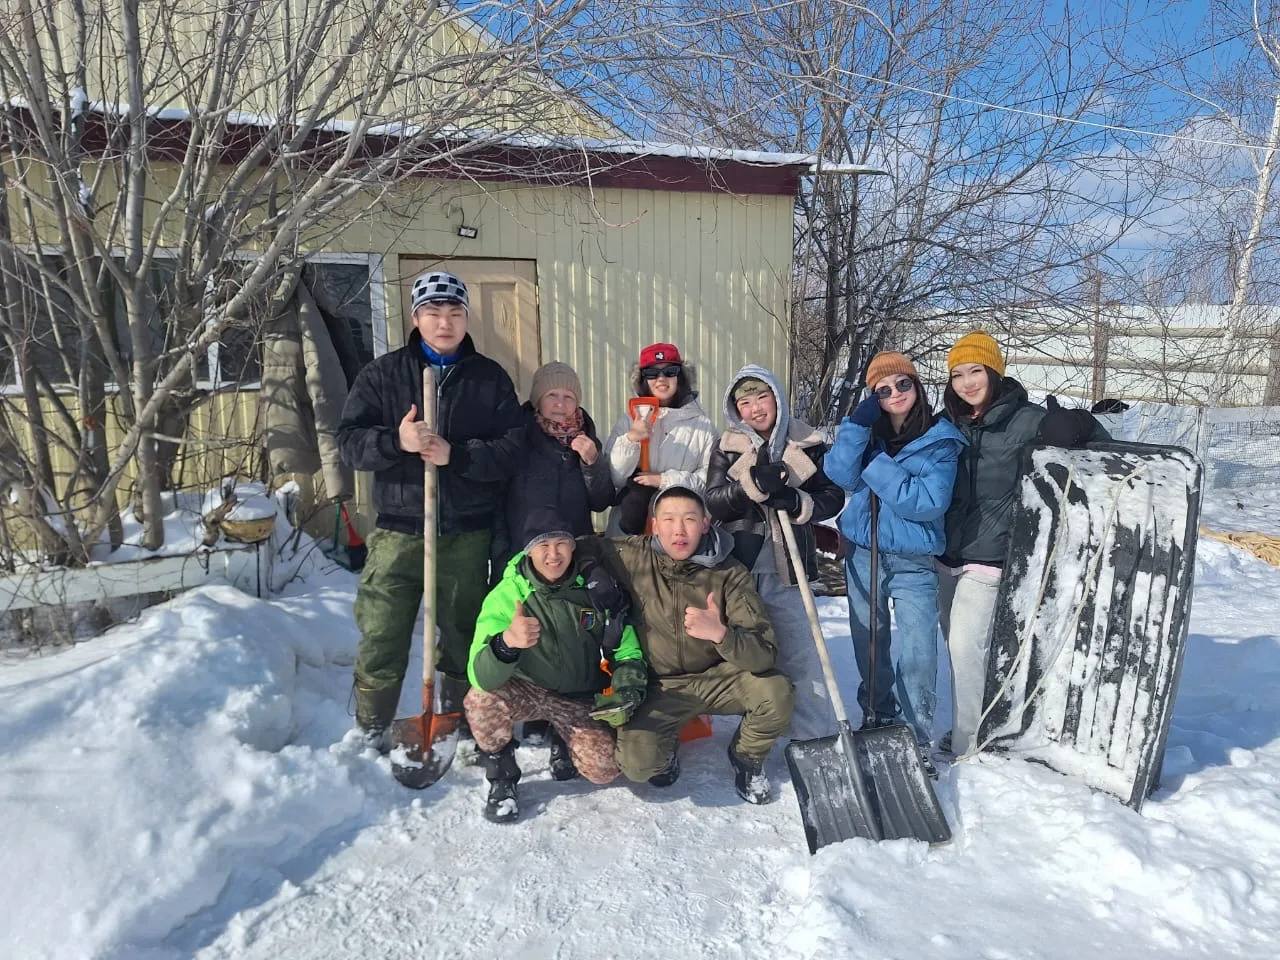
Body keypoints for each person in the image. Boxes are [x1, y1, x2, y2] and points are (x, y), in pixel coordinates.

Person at [337, 270, 523, 747]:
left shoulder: (489, 379)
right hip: (399, 529)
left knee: (463, 630)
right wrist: (395, 440)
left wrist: (455, 456)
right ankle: (372, 726)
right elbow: (351, 445)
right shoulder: (381, 376)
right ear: (416, 317)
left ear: (466, 318)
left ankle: (454, 720)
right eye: (434, 313)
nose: (445, 323)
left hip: (465, 531)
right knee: (382, 629)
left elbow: (511, 451)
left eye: (455, 313)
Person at [939, 331, 1108, 757]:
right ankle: (983, 722)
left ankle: (967, 742)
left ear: (995, 372)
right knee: (962, 651)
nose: (966, 382)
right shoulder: (948, 423)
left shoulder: (1026, 420)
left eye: (975, 371)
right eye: (957, 374)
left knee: (965, 647)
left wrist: (1083, 423)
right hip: (945, 556)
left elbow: (1101, 450)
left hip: (992, 556)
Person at [591, 485, 795, 804]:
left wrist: (721, 635)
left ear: (705, 523)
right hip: (662, 686)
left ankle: (746, 757)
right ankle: (666, 747)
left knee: (776, 692)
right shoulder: (633, 556)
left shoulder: (729, 572)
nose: (679, 530)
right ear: (655, 525)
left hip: (719, 677)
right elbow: (567, 549)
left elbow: (764, 652)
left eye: (689, 519)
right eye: (669, 520)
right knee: (639, 766)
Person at [824, 352, 965, 776]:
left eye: (902, 384)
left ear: (916, 385)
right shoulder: (867, 435)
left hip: (913, 559)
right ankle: (877, 716)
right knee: (869, 643)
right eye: (882, 390)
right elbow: (840, 475)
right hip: (862, 553)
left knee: (920, 648)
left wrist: (877, 466)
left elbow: (927, 502)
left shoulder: (942, 440)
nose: (895, 394)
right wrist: (854, 426)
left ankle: (914, 734)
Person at [465, 508, 646, 822]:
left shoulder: (596, 586)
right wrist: (506, 642)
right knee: (481, 699)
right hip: (529, 689)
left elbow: (624, 641)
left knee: (604, 769)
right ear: (528, 550)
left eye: (560, 543)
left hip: (578, 696)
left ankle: (563, 738)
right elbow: (479, 674)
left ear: (572, 546)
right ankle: (502, 776)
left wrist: (627, 680)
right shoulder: (509, 594)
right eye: (542, 545)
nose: (552, 554)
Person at [704, 365, 844, 741]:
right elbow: (714, 502)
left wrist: (798, 500)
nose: (755, 409)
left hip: (790, 568)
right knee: (749, 655)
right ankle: (756, 734)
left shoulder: (807, 442)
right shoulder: (727, 446)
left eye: (761, 398)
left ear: (777, 399)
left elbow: (833, 495)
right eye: (744, 402)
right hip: (741, 570)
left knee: (803, 654)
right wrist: (750, 486)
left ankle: (814, 737)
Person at [501, 361, 615, 755]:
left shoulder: (586, 438)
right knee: (531, 629)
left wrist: (591, 463)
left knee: (570, 632)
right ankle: (536, 714)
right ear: (538, 400)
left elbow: (602, 499)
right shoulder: (519, 438)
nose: (561, 405)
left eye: (569, 397)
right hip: (528, 550)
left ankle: (565, 721)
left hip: (574, 550)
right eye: (553, 395)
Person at [603, 342, 718, 535]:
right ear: (642, 378)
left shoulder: (702, 425)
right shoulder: (629, 419)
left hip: (680, 531)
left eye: (670, 371)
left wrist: (664, 480)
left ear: (680, 376)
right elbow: (614, 477)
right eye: (651, 373)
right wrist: (631, 439)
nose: (661, 379)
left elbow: (709, 480)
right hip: (630, 530)